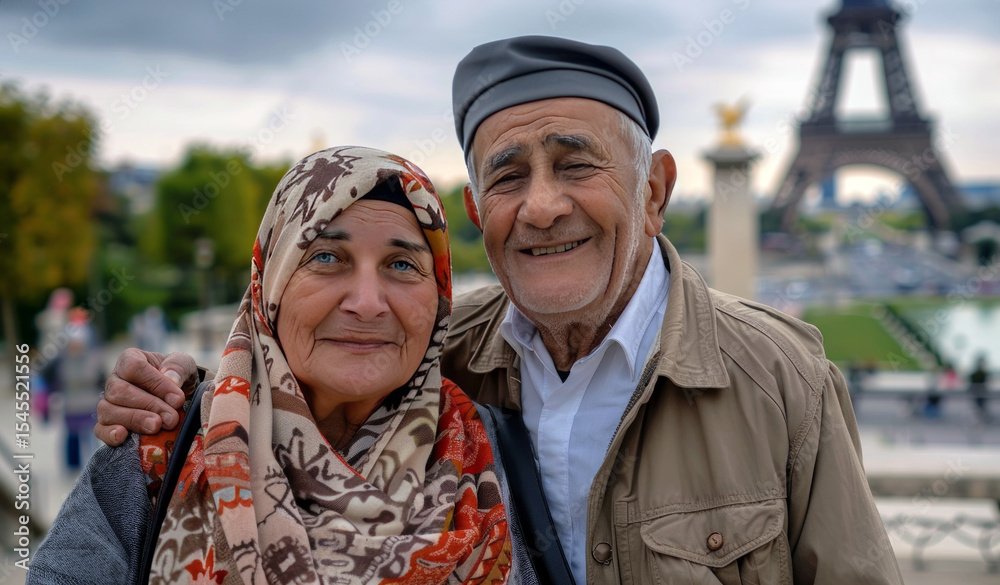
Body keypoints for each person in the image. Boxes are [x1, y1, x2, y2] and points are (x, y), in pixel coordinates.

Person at [96, 37, 903, 584]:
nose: (543, 205)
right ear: (479, 213)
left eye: (575, 163)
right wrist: (181, 391)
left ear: (654, 190)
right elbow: (284, 382)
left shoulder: (781, 379)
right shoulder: (422, 359)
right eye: (510, 176)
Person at [32, 147, 513, 585]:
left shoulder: (490, 454)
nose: (367, 304)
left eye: (402, 265)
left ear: (440, 299)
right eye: (327, 257)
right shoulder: (156, 450)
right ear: (271, 290)